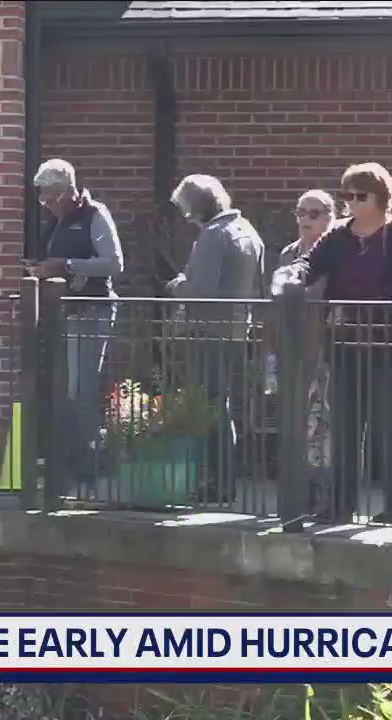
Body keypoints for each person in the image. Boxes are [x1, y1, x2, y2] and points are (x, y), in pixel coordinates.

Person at [271, 163, 392, 525]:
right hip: (346, 342)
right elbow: (311, 263)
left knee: (390, 424)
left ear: (381, 198)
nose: (352, 203)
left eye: (361, 196)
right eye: (348, 196)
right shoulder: (338, 235)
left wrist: (368, 308)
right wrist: (292, 274)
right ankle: (341, 505)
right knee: (345, 424)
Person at [164, 174, 265, 501]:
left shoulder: (213, 236)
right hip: (237, 330)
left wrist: (177, 284)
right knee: (220, 405)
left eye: (187, 209)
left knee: (210, 407)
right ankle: (224, 481)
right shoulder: (249, 232)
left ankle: (218, 484)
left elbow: (200, 292)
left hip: (208, 330)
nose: (186, 216)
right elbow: (258, 287)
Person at [28, 158, 124, 490]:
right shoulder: (56, 221)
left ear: (70, 191)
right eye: (42, 198)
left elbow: (113, 264)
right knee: (69, 390)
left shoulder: (95, 215)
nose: (46, 205)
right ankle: (73, 462)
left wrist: (66, 265)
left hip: (93, 311)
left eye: (51, 198)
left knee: (81, 389)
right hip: (67, 315)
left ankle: (91, 465)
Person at [276, 189, 336, 506]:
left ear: (330, 217)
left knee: (324, 425)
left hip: (327, 349)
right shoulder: (288, 255)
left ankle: (326, 493)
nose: (305, 220)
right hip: (294, 350)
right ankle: (301, 494)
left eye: (314, 214)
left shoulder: (338, 255)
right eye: (300, 213)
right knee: (299, 424)